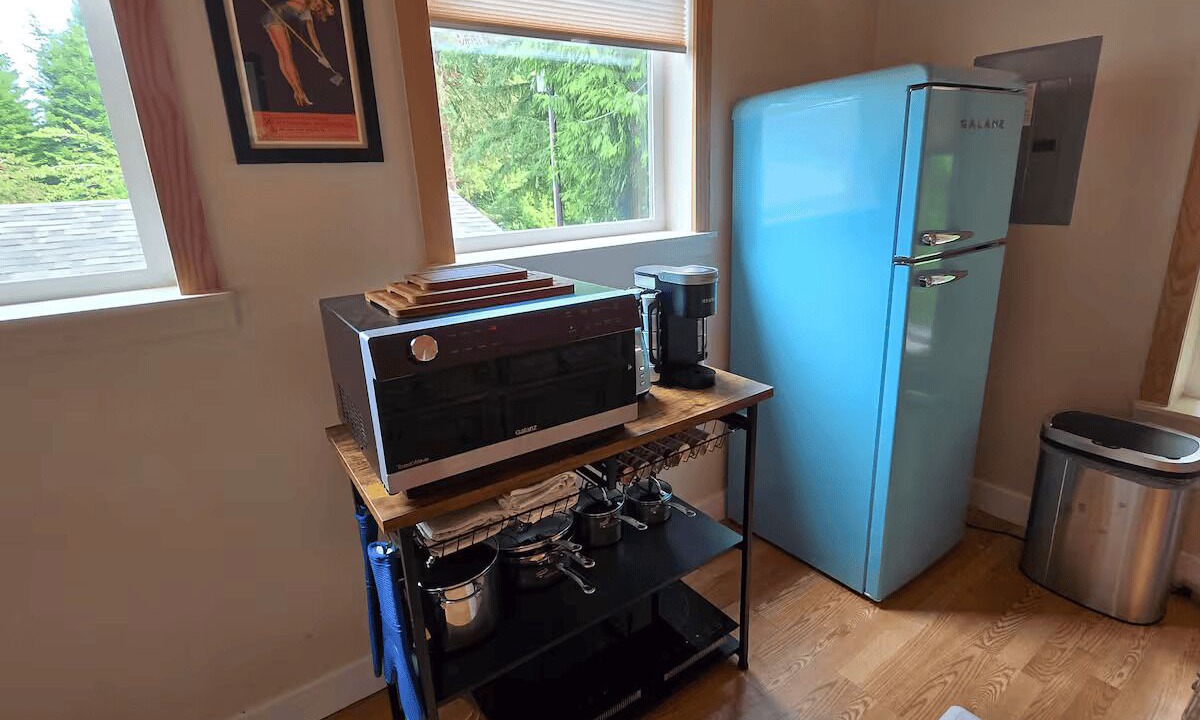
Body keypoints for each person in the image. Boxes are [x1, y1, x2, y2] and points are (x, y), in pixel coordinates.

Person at [259, 0, 336, 107]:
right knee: (286, 56)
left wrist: (321, 55)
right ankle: (300, 92)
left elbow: (313, 37)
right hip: (274, 17)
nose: (317, 7)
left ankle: (297, 91)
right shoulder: (304, 3)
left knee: (284, 56)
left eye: (319, 10)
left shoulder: (307, 13)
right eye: (320, 5)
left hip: (274, 18)